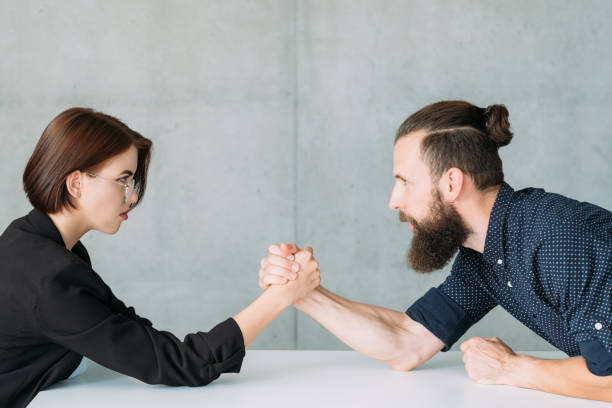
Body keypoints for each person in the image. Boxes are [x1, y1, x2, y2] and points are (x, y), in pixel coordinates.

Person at [259, 100, 612, 401]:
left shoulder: (559, 238)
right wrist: (301, 292)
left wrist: (511, 367)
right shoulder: (483, 256)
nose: (393, 201)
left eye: (404, 181)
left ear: (452, 183)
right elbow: (406, 341)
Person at [0, 107, 320, 407]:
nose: (134, 195)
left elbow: (129, 329)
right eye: (123, 180)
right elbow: (177, 365)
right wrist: (280, 297)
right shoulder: (51, 280)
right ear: (76, 183)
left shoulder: (32, 241)